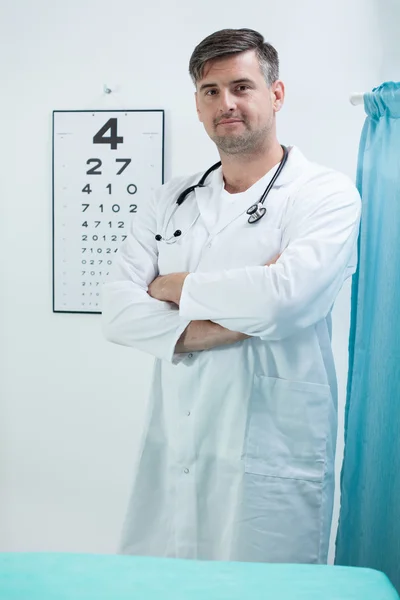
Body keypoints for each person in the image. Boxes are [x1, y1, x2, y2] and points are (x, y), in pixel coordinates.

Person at [101, 28, 361, 564]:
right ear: (197, 105)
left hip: (274, 441)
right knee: (163, 583)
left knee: (267, 587)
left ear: (276, 94)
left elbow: (286, 300)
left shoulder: (324, 194)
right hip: (179, 439)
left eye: (241, 86)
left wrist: (174, 288)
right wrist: (233, 319)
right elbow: (118, 312)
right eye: (210, 91)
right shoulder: (172, 198)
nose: (227, 103)